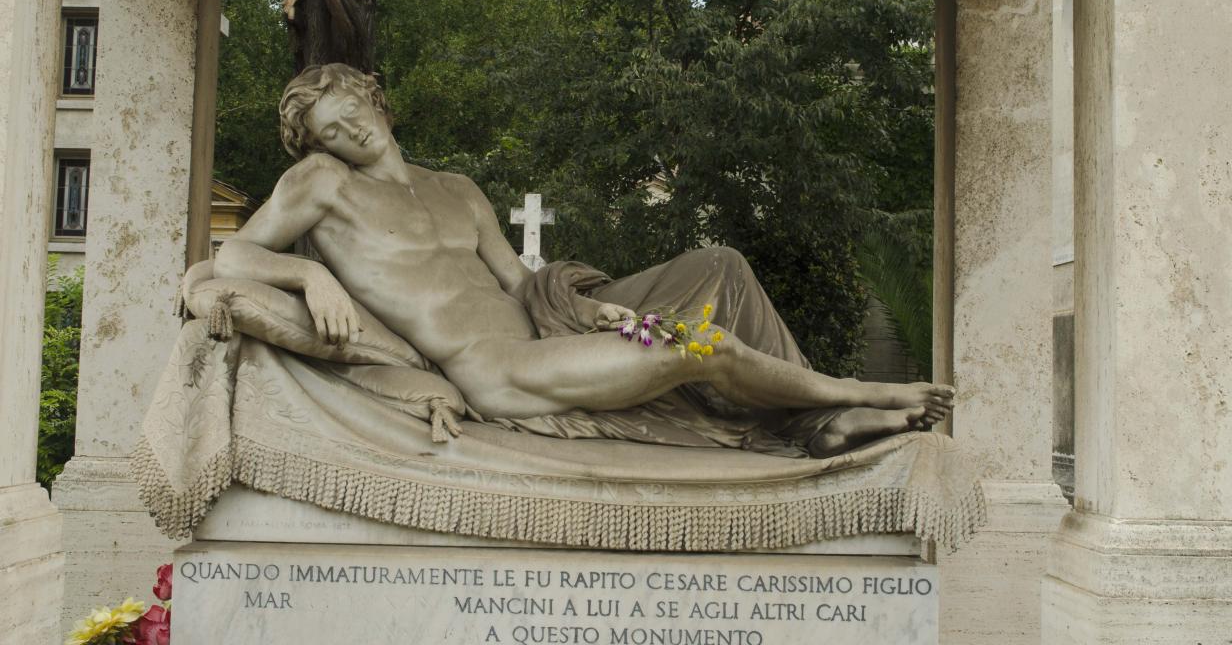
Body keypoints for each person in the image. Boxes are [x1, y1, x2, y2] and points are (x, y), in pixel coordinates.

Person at [214, 64, 954, 454]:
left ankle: (811, 427)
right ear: (319, 149)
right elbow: (232, 258)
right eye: (330, 131)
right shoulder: (322, 185)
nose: (349, 133)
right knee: (698, 348)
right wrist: (308, 274)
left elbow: (518, 281)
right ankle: (860, 396)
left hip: (554, 336)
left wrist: (590, 308)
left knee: (720, 268)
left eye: (351, 111)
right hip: (498, 369)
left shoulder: (458, 190)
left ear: (377, 100)